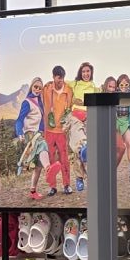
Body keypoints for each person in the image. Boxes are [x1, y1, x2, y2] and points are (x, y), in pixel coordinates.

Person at [38, 65, 76, 196]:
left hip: (62, 132)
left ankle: (66, 185)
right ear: (53, 77)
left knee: (64, 159)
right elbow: (36, 96)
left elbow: (71, 108)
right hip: (49, 131)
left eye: (62, 78)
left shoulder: (69, 91)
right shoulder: (46, 89)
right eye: (58, 78)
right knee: (50, 159)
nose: (60, 81)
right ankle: (52, 187)